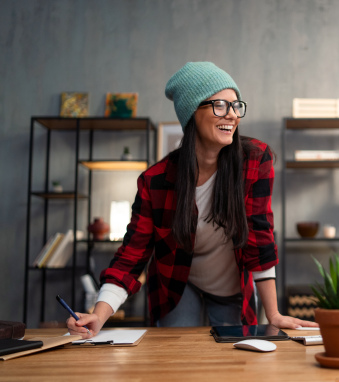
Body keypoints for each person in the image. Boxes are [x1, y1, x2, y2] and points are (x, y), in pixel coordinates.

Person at [67, 62, 318, 338]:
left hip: (231, 286)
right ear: (191, 113)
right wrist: (99, 314)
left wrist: (273, 314)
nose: (232, 115)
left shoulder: (255, 160)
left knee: (232, 361)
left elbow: (259, 236)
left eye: (236, 106)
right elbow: (133, 254)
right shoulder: (156, 181)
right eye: (220, 105)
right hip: (177, 285)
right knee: (178, 359)